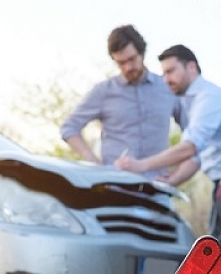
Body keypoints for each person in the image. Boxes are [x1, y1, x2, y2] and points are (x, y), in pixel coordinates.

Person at [115, 44, 221, 195]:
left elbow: (189, 148)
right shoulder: (193, 102)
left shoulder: (209, 98)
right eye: (163, 74)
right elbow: (198, 156)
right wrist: (171, 180)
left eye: (170, 71)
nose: (166, 80)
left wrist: (141, 165)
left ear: (191, 67)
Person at [60, 25, 179, 178]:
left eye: (132, 59)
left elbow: (193, 135)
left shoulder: (167, 87)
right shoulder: (103, 91)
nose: (128, 67)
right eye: (121, 63)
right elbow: (69, 128)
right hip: (115, 185)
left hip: (158, 186)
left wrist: (175, 176)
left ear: (142, 53)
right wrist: (96, 166)